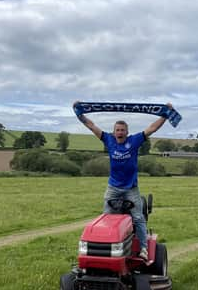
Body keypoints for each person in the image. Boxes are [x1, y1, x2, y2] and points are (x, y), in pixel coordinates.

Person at [74, 101, 173, 260]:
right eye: (117, 130)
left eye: (122, 130)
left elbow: (152, 128)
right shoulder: (108, 139)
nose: (120, 132)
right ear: (114, 132)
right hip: (113, 187)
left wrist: (165, 115)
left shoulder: (134, 141)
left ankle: (143, 248)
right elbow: (91, 126)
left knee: (139, 217)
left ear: (127, 132)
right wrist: (79, 114)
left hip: (131, 188)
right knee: (106, 219)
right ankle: (107, 250)